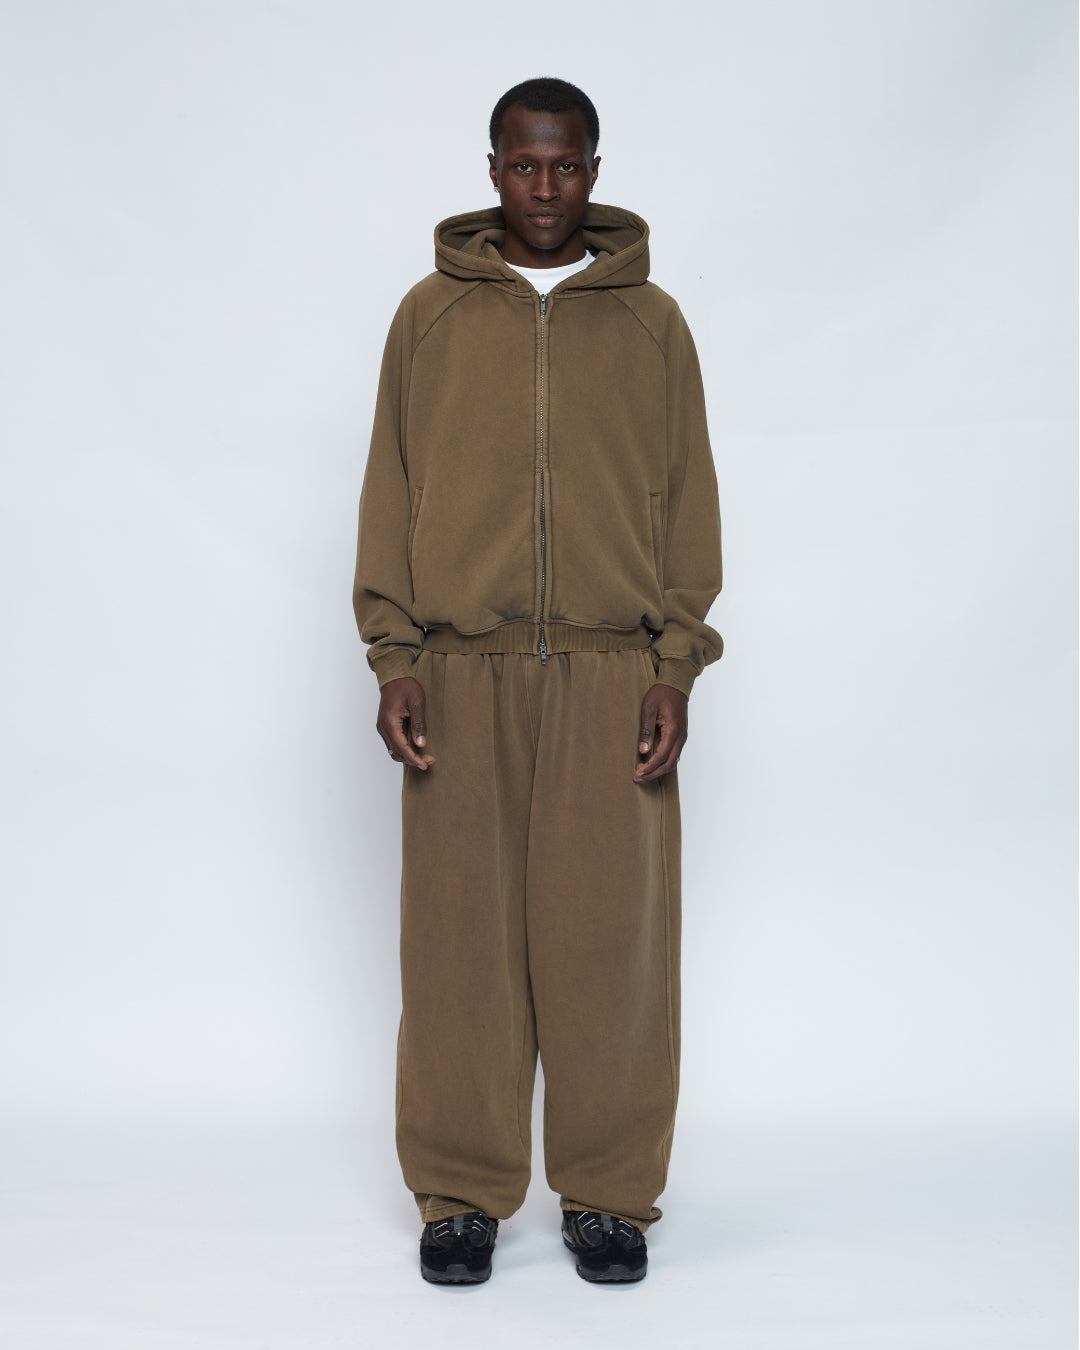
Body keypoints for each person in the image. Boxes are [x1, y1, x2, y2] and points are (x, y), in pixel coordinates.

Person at [352, 76, 722, 1285]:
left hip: (614, 678)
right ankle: (460, 1194)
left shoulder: (653, 325)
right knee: (456, 947)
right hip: (461, 673)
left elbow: (689, 499)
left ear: (595, 170)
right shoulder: (429, 317)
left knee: (611, 948)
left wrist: (675, 666)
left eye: (566, 165)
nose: (545, 187)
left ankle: (608, 1195)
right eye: (523, 165)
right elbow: (390, 488)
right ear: (493, 170)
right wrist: (395, 657)